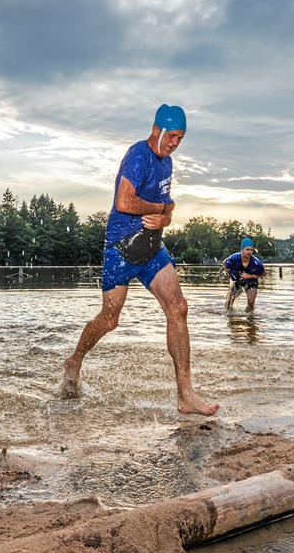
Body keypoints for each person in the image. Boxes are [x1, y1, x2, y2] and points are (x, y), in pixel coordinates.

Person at [60, 104, 218, 416]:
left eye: (180, 139)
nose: (174, 143)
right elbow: (123, 201)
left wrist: (164, 219)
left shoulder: (167, 164)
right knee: (109, 320)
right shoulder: (138, 155)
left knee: (178, 307)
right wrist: (159, 211)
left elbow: (168, 209)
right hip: (120, 248)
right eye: (172, 136)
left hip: (152, 248)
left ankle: (185, 395)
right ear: (156, 129)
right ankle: (76, 358)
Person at [222, 237, 265, 312]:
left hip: (251, 282)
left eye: (251, 250)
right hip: (237, 280)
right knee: (228, 302)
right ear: (242, 250)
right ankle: (230, 317)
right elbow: (224, 264)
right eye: (247, 249)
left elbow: (264, 273)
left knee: (251, 302)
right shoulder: (233, 258)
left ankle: (250, 319)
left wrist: (249, 276)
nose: (249, 252)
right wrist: (228, 271)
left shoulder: (257, 263)